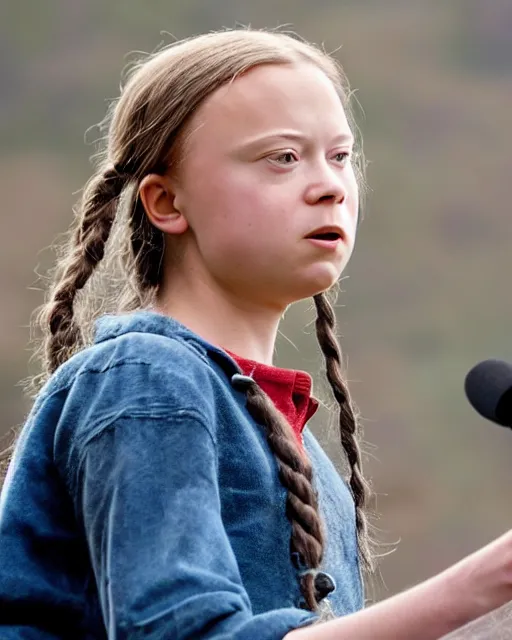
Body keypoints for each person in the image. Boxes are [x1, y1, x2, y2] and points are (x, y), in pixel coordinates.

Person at [1, 27, 512, 640]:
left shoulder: (303, 452)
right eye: (283, 158)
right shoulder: (147, 379)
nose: (330, 185)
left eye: (341, 156)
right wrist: (492, 578)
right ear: (165, 203)